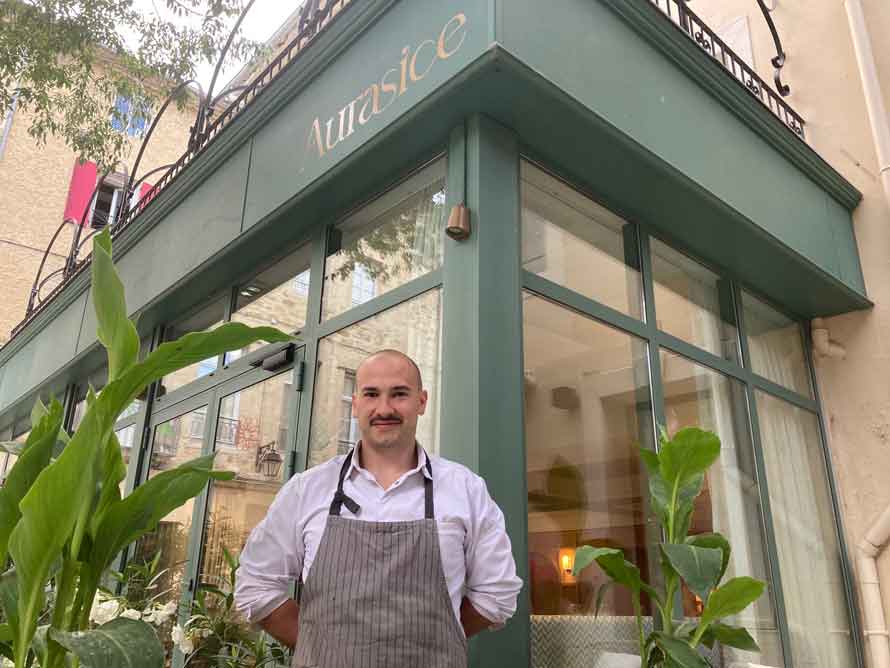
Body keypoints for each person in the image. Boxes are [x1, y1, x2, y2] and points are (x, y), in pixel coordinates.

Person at [234, 349, 523, 667]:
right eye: (371, 394)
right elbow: (256, 585)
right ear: (356, 403)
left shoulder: (465, 489)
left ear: (421, 402)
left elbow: (497, 593)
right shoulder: (307, 490)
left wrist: (436, 643)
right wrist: (322, 648)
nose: (384, 408)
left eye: (399, 394)